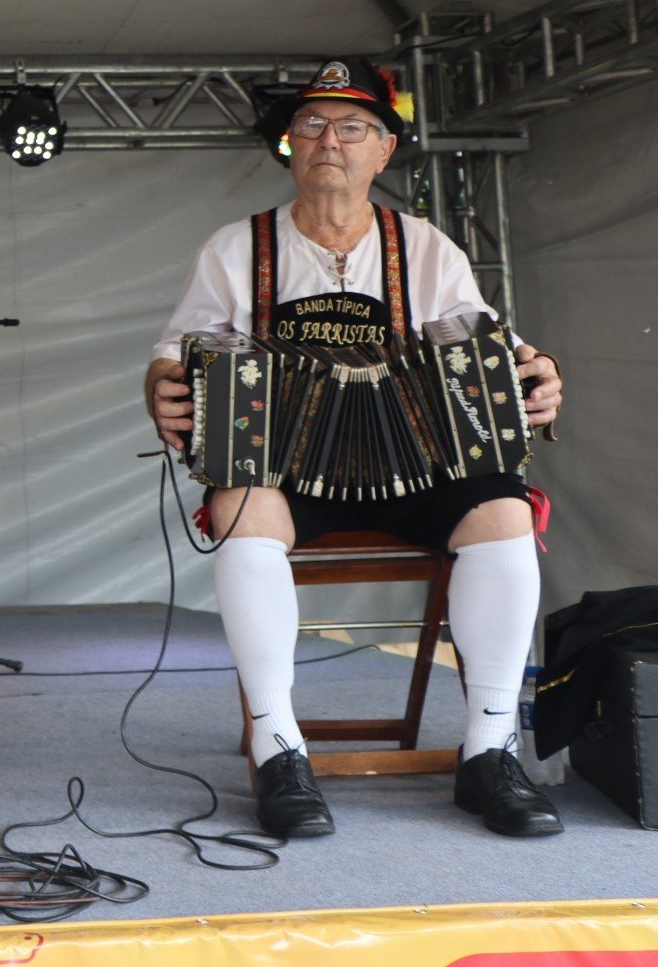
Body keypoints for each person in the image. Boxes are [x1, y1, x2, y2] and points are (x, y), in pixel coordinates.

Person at [145, 56, 567, 839]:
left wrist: (536, 374)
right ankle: (279, 748)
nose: (328, 141)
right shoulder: (238, 249)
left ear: (384, 150)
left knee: (504, 514)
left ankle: (490, 750)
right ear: (288, 148)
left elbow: (489, 344)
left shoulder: (426, 247)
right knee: (240, 509)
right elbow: (180, 352)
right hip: (285, 468)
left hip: (416, 465)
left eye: (351, 128)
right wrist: (163, 383)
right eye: (309, 126)